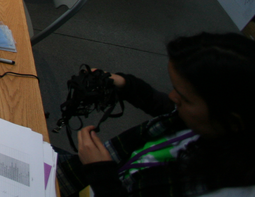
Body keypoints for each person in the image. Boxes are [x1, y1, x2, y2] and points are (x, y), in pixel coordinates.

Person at [56, 32, 255, 197]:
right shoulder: (203, 124)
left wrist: (100, 171)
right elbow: (166, 106)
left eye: (184, 99)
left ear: (232, 120)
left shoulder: (220, 187)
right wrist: (125, 85)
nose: (173, 97)